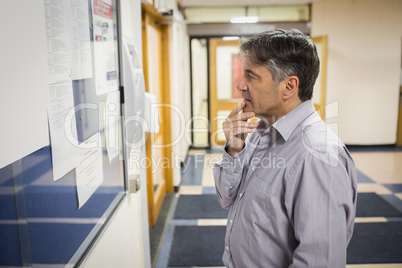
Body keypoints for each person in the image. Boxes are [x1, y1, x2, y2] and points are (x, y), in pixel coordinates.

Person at [213, 29, 358, 267]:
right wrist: (234, 149)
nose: (239, 85)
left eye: (251, 76)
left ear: (289, 87)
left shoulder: (317, 157)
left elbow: (320, 261)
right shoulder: (262, 132)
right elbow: (227, 197)